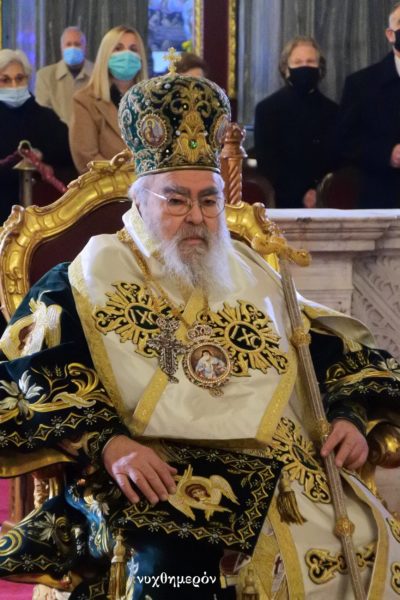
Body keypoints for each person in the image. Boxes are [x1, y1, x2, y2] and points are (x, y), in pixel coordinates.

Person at [0, 66, 399, 599]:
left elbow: (328, 353)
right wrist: (110, 444)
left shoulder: (253, 272)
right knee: (177, 574)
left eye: (209, 200)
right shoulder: (82, 280)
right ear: (140, 200)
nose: (196, 217)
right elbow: (31, 383)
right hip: (161, 480)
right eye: (176, 200)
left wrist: (347, 416)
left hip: (290, 476)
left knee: (369, 541)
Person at [254, 36, 338, 208]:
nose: (304, 66)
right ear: (286, 69)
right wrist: (301, 193)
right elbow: (267, 161)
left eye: (310, 61)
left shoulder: (334, 111)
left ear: (320, 68)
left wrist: (318, 190)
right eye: (298, 62)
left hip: (327, 199)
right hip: (282, 201)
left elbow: (337, 158)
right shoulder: (267, 109)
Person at [335, 2, 400, 208]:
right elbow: (345, 141)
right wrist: (387, 154)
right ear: (390, 34)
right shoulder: (362, 84)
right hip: (382, 196)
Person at [0, 49, 75, 224]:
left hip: (44, 217)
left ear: (27, 79)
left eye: (19, 78)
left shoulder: (47, 119)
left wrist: (45, 166)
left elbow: (70, 164)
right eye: (5, 80)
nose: (14, 85)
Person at [69, 25, 148, 174]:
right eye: (118, 48)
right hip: (109, 186)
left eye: (133, 49)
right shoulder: (85, 100)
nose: (127, 55)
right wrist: (128, 177)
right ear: (106, 55)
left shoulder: (151, 100)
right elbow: (87, 159)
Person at [35, 26, 94, 126]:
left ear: (84, 47)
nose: (73, 48)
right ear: (62, 47)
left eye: (77, 44)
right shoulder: (45, 76)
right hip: (55, 134)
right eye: (68, 44)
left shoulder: (97, 73)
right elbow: (42, 113)